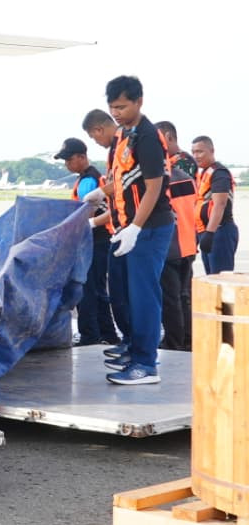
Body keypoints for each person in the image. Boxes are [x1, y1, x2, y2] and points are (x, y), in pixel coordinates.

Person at [98, 75, 174, 385]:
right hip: (125, 227)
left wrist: (136, 227)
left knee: (144, 296)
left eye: (122, 106)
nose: (116, 113)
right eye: (112, 107)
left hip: (149, 228)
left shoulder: (147, 136)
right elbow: (122, 179)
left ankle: (146, 364)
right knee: (124, 293)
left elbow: (154, 187)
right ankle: (133, 347)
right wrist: (100, 194)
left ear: (139, 102)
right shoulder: (123, 135)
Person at [55, 137, 114, 346]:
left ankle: (90, 335)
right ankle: (108, 333)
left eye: (69, 160)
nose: (67, 165)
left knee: (87, 290)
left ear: (81, 157)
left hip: (93, 241)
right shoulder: (92, 177)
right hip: (100, 240)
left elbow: (83, 212)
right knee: (98, 289)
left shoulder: (88, 181)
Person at [82, 108, 128, 345]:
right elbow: (116, 184)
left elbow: (131, 184)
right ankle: (126, 343)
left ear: (99, 129)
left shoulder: (127, 144)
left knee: (125, 294)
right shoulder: (115, 150)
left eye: (94, 137)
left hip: (129, 229)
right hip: (119, 230)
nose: (96, 142)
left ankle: (138, 350)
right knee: (117, 293)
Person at [160, 158, 198, 351]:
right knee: (184, 296)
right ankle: (188, 338)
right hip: (188, 244)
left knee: (170, 298)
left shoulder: (161, 180)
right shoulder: (186, 178)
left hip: (169, 247)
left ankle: (173, 341)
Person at [191, 135, 238, 275]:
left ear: (212, 151)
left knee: (220, 278)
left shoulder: (219, 173)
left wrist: (210, 233)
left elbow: (220, 204)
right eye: (193, 152)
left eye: (200, 151)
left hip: (220, 231)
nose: (196, 156)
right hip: (206, 232)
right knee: (211, 278)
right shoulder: (204, 173)